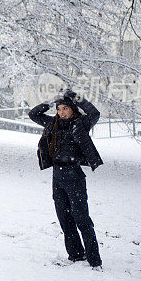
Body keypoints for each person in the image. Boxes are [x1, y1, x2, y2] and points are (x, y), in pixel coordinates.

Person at [29, 89, 104, 269]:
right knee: (64, 219)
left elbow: (95, 113)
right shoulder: (52, 123)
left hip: (74, 177)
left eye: (65, 108)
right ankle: (76, 254)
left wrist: (76, 98)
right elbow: (33, 114)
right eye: (59, 108)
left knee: (82, 219)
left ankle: (94, 260)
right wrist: (51, 100)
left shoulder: (80, 124)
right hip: (58, 177)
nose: (61, 112)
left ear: (72, 109)